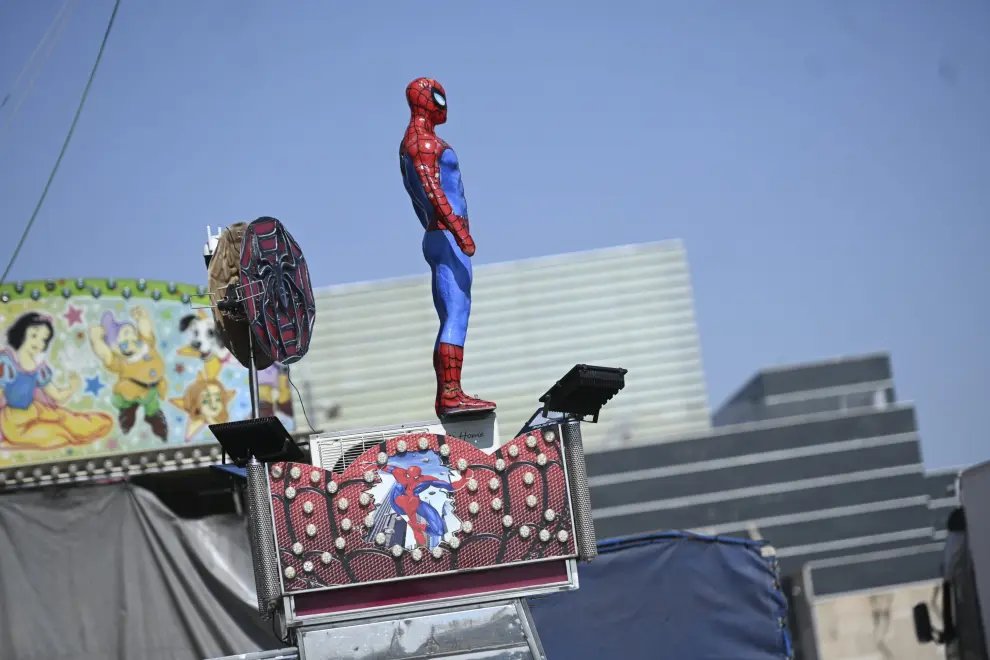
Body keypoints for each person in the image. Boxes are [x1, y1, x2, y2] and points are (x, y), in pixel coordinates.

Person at [0, 311, 112, 450]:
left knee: (64, 418)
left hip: (35, 410)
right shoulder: (7, 363)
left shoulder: (39, 368)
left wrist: (72, 387)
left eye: (43, 339)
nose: (38, 342)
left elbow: (56, 395)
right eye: (34, 335)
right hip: (16, 424)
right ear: (21, 333)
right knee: (61, 435)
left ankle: (86, 425)